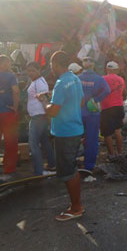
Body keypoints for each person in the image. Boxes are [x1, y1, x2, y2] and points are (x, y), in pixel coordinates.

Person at [42, 51, 84, 221]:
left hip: (65, 132)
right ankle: (76, 204)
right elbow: (80, 102)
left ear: (55, 64)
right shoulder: (75, 78)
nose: (51, 68)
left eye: (51, 64)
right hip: (74, 129)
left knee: (68, 171)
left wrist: (44, 102)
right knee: (72, 168)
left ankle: (76, 208)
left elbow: (52, 112)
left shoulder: (61, 83)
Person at [78, 57, 111, 171]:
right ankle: (89, 166)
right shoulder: (99, 79)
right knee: (91, 139)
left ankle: (73, 163)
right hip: (92, 112)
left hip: (79, 112)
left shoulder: (78, 78)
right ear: (93, 66)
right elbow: (107, 90)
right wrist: (96, 99)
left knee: (76, 138)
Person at [26, 62, 56, 176]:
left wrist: (48, 114)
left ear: (39, 70)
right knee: (44, 141)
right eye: (28, 70)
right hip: (38, 115)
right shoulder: (36, 82)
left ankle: (39, 171)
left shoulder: (40, 83)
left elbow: (44, 99)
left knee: (33, 144)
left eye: (33, 70)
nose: (30, 73)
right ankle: (52, 164)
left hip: (39, 116)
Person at [100, 61, 126, 160]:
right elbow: (125, 94)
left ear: (107, 69)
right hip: (119, 107)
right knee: (118, 131)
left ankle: (111, 155)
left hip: (107, 108)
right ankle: (119, 153)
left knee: (107, 133)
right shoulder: (121, 80)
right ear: (116, 70)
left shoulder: (102, 79)